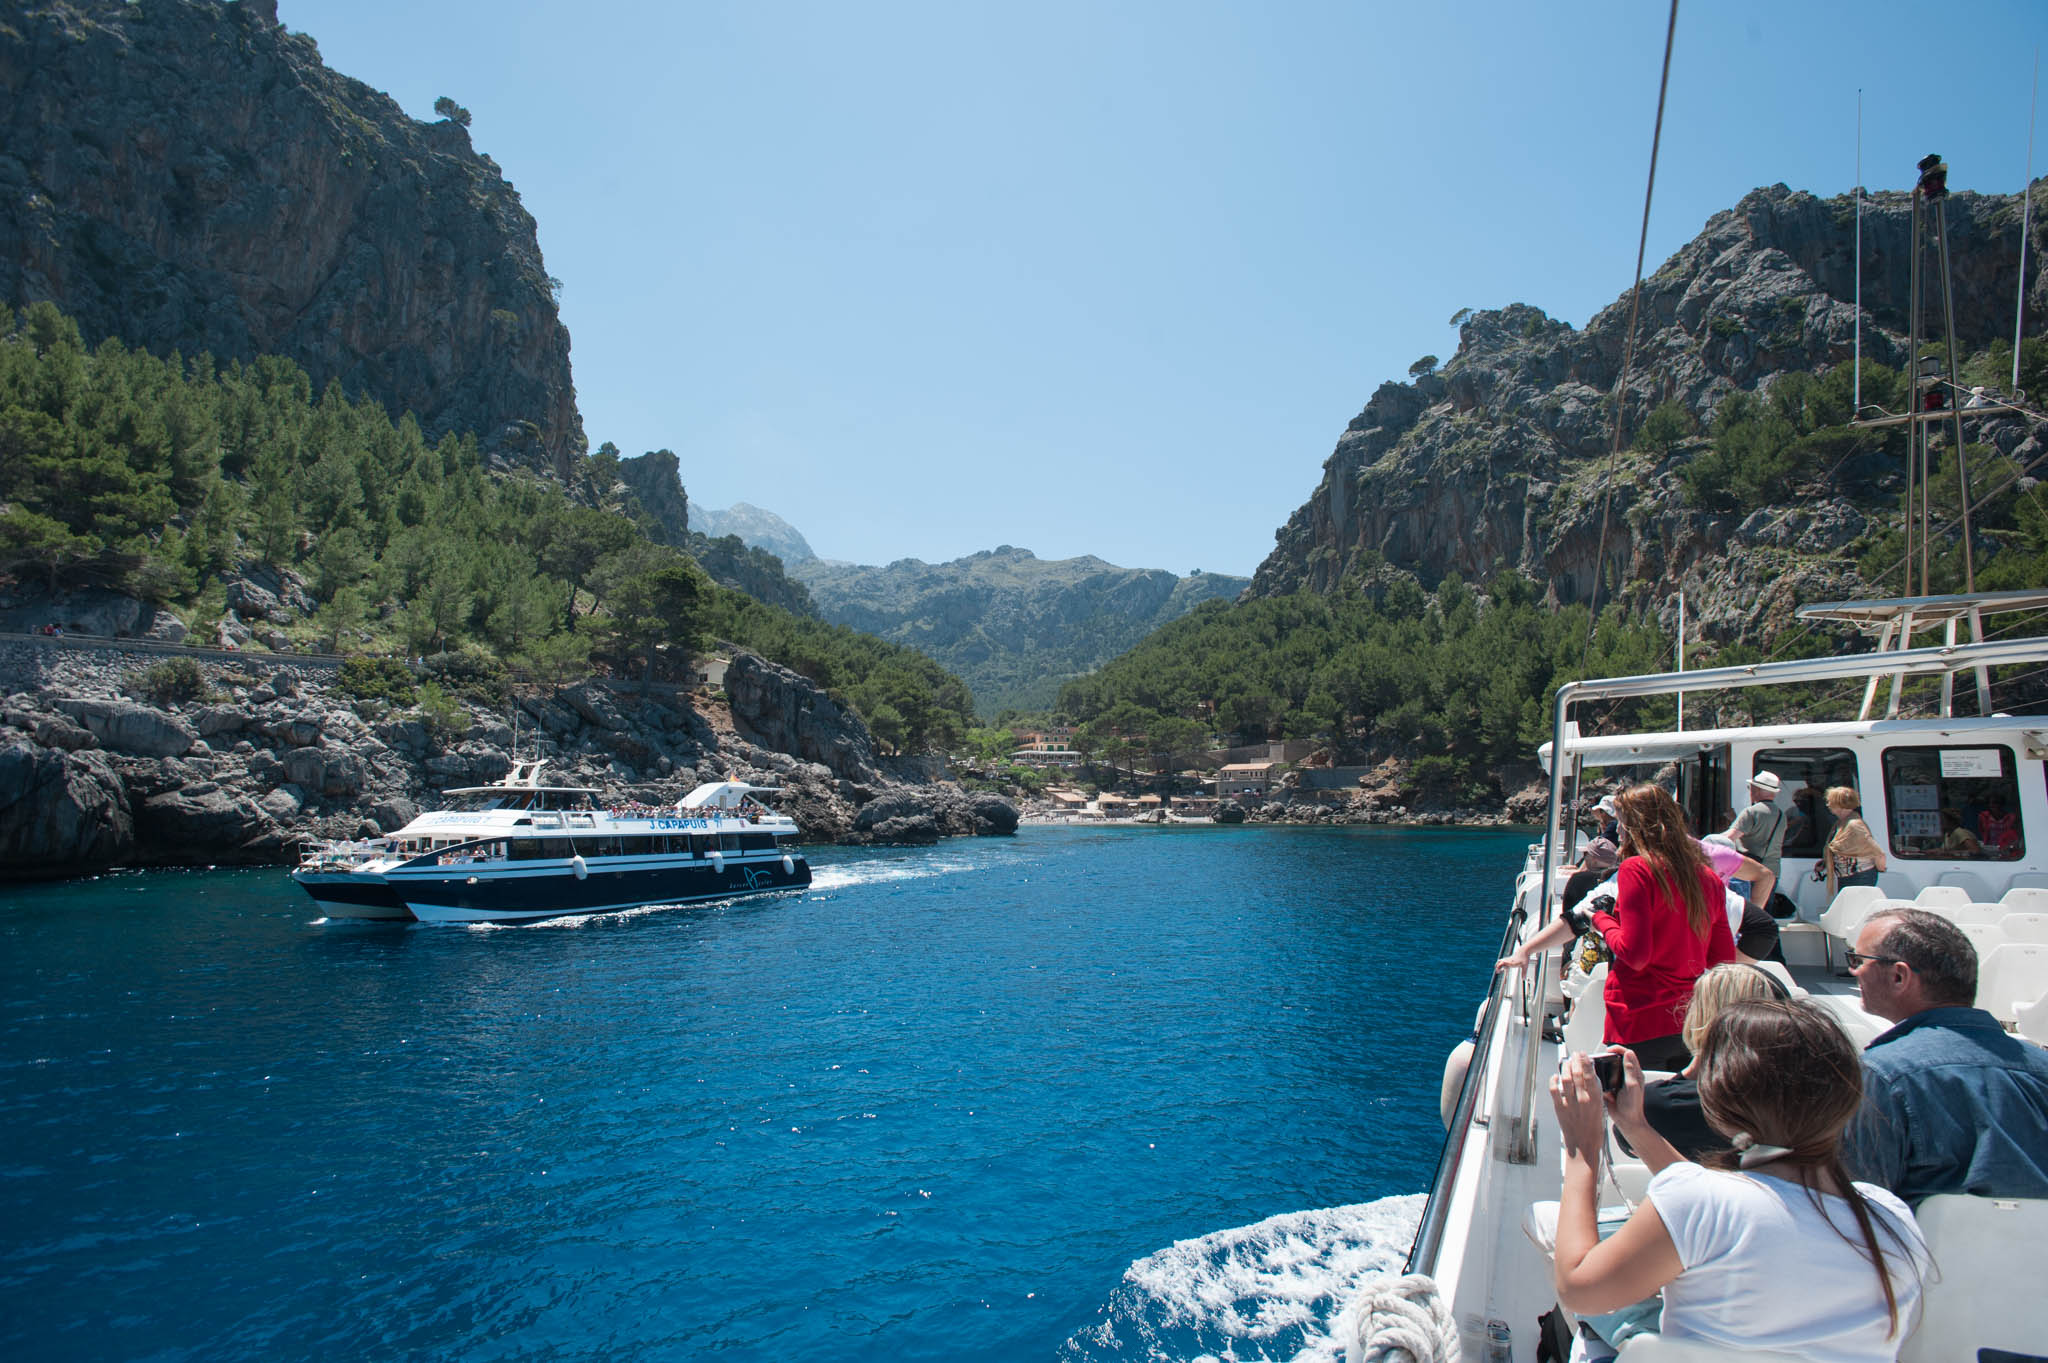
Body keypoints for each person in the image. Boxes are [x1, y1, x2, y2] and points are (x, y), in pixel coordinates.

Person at [1549, 999, 1928, 1362]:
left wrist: (1582, 1149)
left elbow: (1579, 1289)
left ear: (1719, 1097)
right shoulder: (1891, 1217)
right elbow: (1723, 1205)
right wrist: (1636, 1127)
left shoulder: (1699, 1201)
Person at [1501, 784, 1738, 1071]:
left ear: (1638, 827)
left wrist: (1602, 921)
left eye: (1622, 823)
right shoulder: (1708, 878)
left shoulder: (1636, 870)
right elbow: (1722, 959)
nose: (1618, 832)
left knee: (1629, 1111)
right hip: (1691, 1024)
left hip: (1638, 1021)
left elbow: (1635, 955)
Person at [1841, 907, 2048, 1203]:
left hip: (1922, 1248)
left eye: (1859, 960)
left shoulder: (1883, 1074)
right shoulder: (2042, 1068)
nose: (1854, 970)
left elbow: (1860, 1200)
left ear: (1899, 976)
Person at [1628, 962, 1792, 1161]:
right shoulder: (1797, 1104)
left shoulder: (1656, 1106)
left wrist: (1692, 1069)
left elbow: (1625, 1140)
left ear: (1698, 1019)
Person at [1725, 771, 1787, 890]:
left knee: (1747, 908)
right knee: (1764, 908)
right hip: (1772, 871)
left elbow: (1730, 837)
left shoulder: (1751, 812)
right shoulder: (1781, 814)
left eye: (1750, 787)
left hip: (1750, 872)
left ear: (1756, 789)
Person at [1819, 786, 1886, 897]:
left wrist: (1881, 868)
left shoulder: (1854, 825)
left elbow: (1878, 852)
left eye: (1831, 801)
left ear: (1840, 803)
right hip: (1847, 875)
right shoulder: (1841, 823)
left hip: (1860, 875)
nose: (1828, 805)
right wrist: (1825, 862)